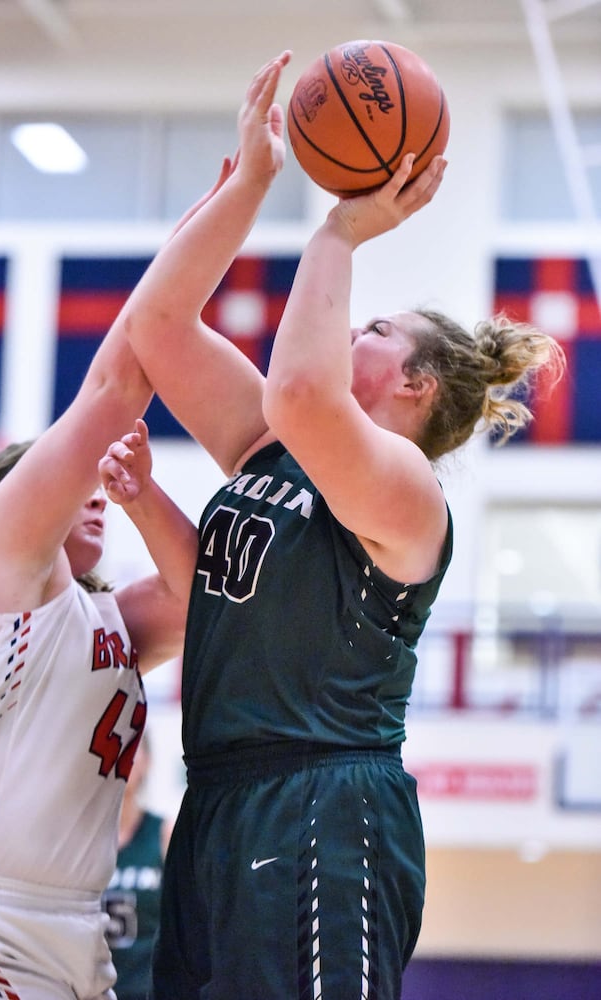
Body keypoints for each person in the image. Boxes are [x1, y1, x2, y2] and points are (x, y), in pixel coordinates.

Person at [106, 51, 566, 1000]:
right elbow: (154, 323)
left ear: (413, 385)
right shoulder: (276, 443)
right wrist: (250, 186)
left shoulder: (406, 489)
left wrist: (342, 233)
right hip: (219, 798)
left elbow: (306, 390)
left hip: (324, 803)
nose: (352, 331)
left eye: (375, 333)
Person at [0, 284, 198, 1000]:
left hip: (69, 935)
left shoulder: (108, 622)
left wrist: (142, 496)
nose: (93, 496)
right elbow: (105, 400)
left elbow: (195, 597)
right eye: (72, 484)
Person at [101, 730, 173, 1000]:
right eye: (114, 749)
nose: (123, 759)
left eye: (132, 750)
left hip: (149, 990)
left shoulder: (165, 833)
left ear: (148, 761)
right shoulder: (79, 843)